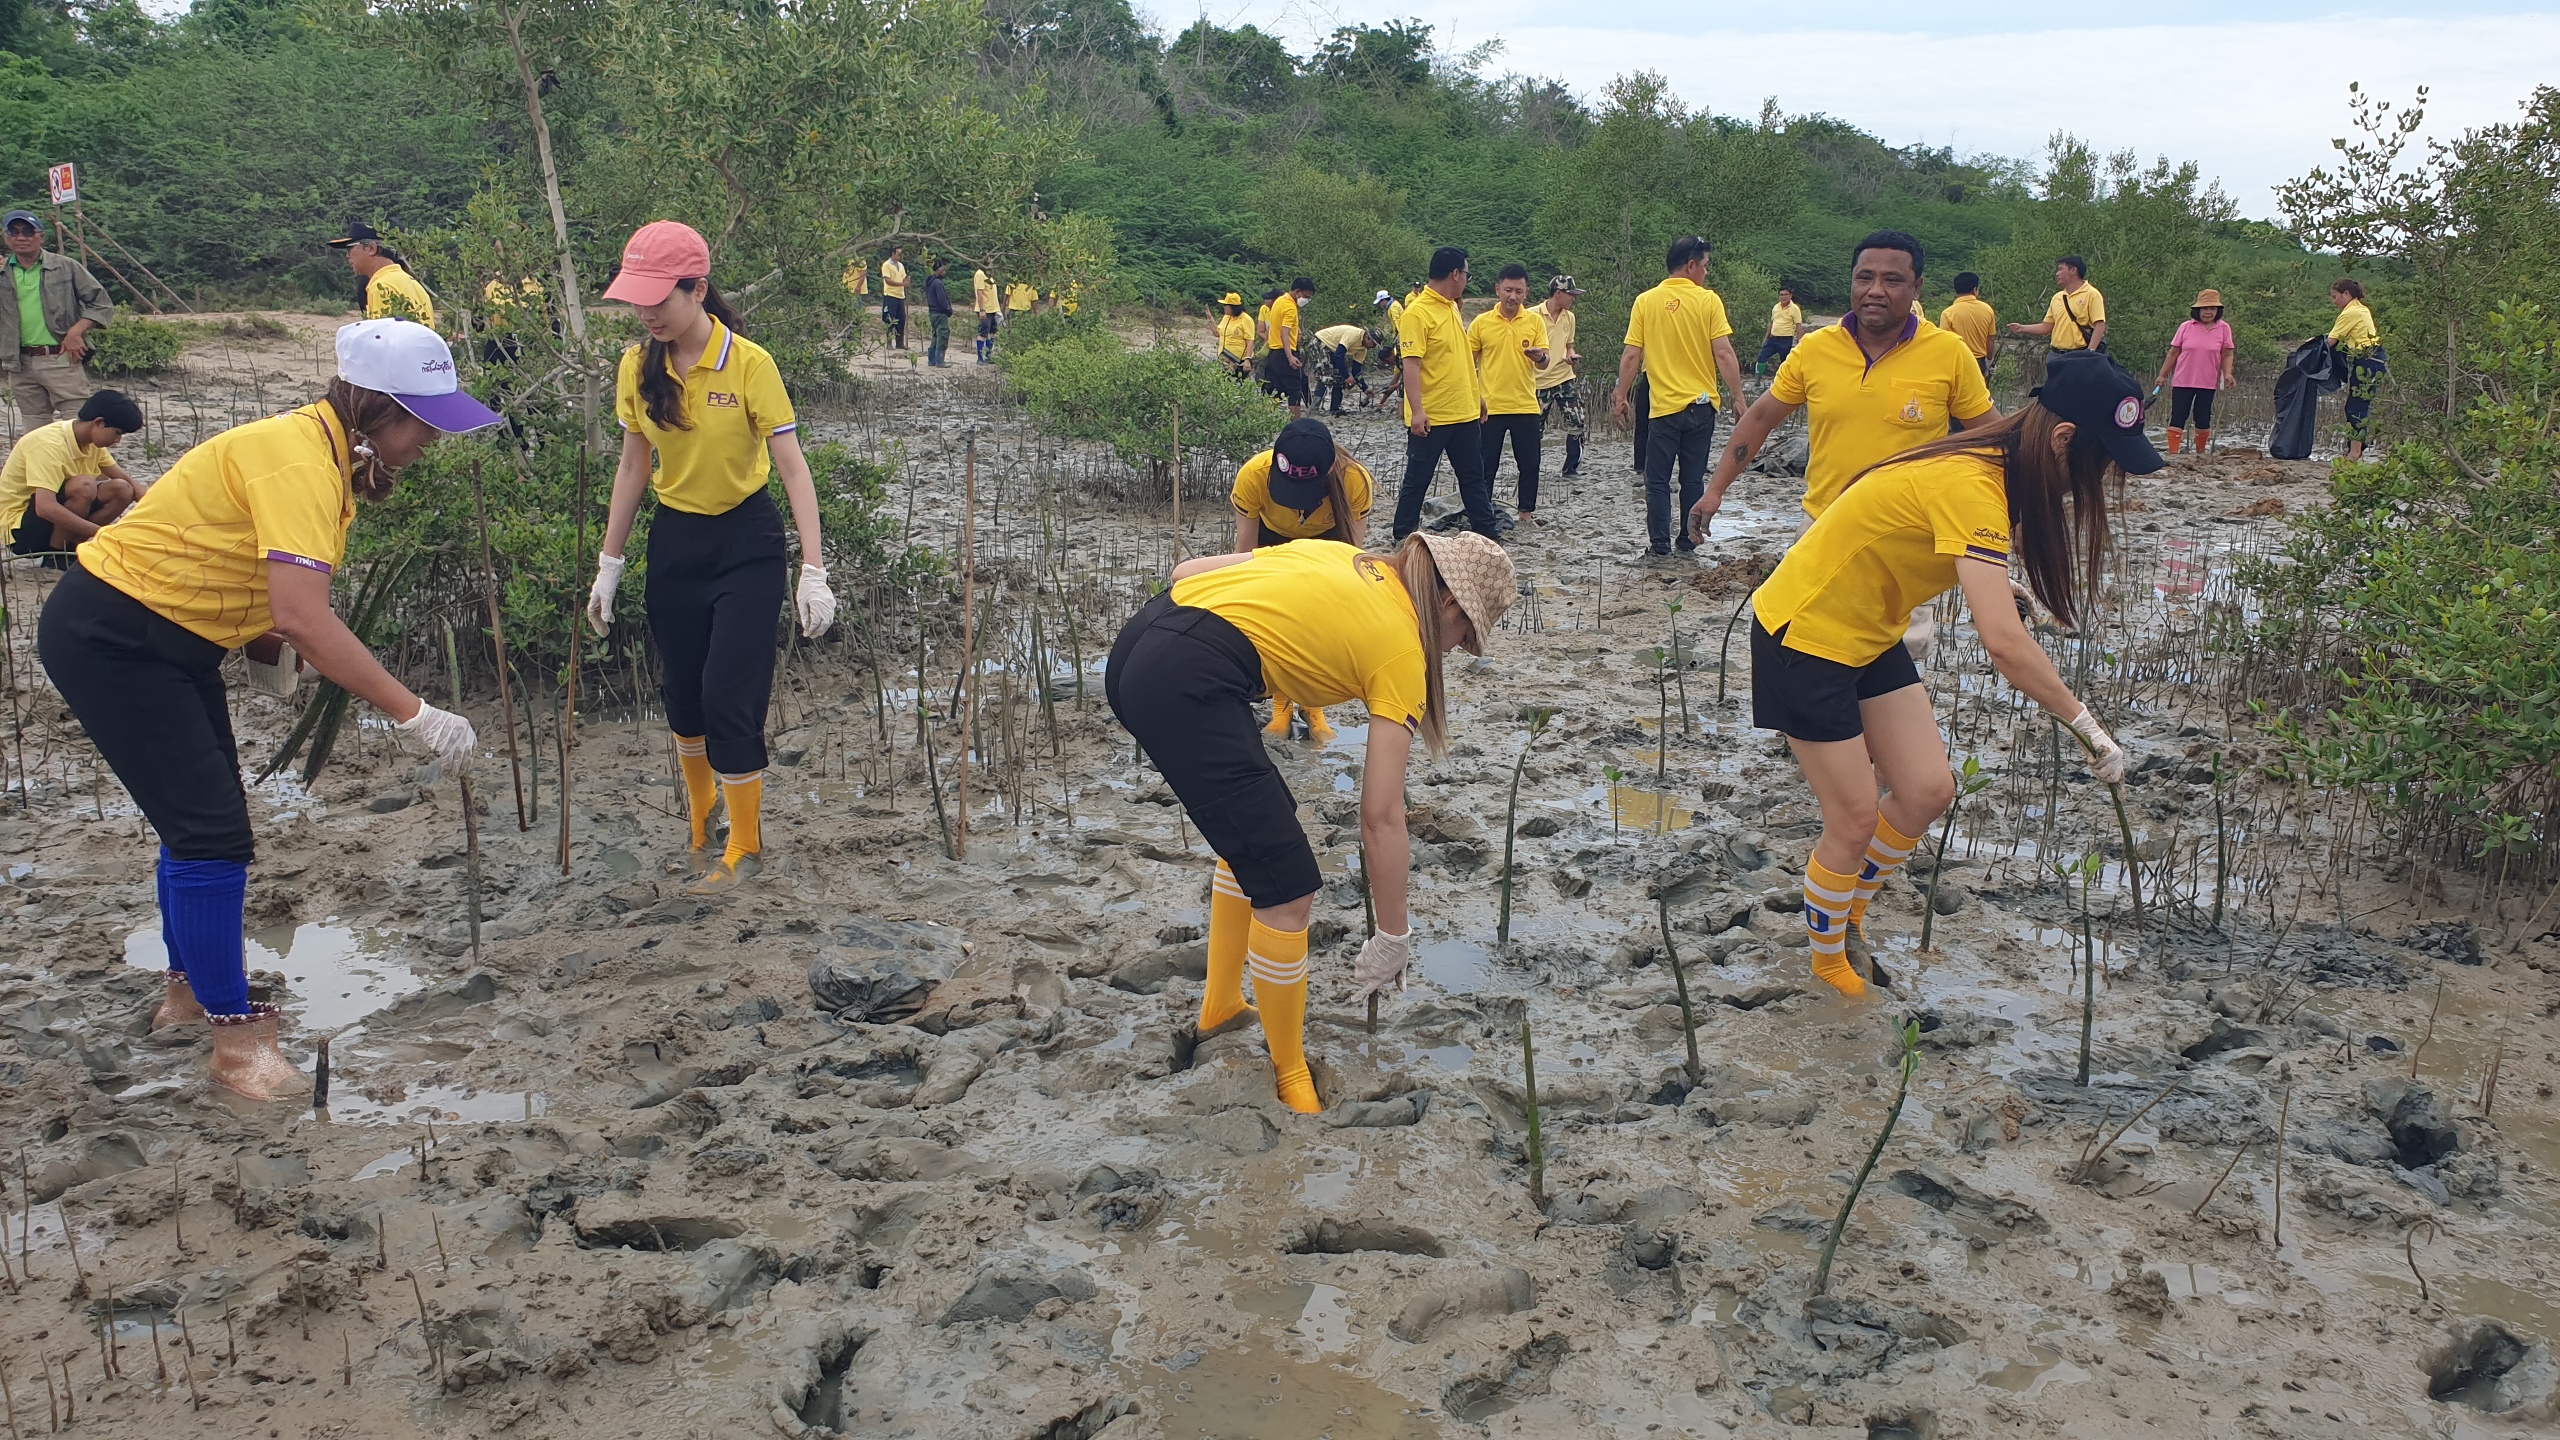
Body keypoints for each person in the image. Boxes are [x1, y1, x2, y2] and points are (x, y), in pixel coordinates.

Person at [38, 319, 498, 1100]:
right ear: (372, 404)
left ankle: (187, 996)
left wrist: (257, 650)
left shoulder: (323, 450)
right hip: (116, 636)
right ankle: (237, 1044)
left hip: (168, 641)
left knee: (201, 825)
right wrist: (418, 713)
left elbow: (244, 573)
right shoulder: (297, 462)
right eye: (424, 420)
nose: (432, 439)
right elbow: (304, 617)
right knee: (211, 835)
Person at [1747, 356, 2152, 998]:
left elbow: (1935, 546)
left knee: (1927, 790)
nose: (2094, 482)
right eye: (2100, 463)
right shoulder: (1974, 482)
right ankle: (1827, 966)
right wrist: (2086, 726)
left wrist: (2000, 582)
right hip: (1804, 636)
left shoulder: (1998, 472)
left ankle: (1847, 917)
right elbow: (2004, 645)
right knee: (1852, 819)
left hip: (1868, 633)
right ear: (2065, 440)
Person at [1106, 529, 1515, 1111]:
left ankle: (1221, 1006)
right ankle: (1291, 1075)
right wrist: (1394, 936)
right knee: (1289, 887)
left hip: (1139, 648)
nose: (1452, 650)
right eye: (1463, 636)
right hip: (1182, 680)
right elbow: (1380, 816)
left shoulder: (1348, 556)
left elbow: (1186, 573)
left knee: (1255, 838)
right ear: (1449, 604)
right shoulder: (1402, 647)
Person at [586, 221, 837, 894]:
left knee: (731, 693)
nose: (645, 313)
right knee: (685, 694)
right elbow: (634, 467)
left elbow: (793, 470)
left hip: (745, 544)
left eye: (658, 299)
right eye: (635, 300)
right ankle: (702, 825)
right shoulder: (637, 367)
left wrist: (813, 570)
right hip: (675, 542)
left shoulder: (750, 363)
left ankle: (746, 847)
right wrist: (609, 563)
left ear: (697, 289)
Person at [1693, 231, 1995, 665]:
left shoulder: (1948, 353)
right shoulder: (1816, 348)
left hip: (1907, 541)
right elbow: (1759, 419)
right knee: (1806, 652)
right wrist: (1715, 490)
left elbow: (1990, 437)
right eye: (1864, 277)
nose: (1875, 290)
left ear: (1917, 288)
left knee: (1895, 665)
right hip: (1823, 527)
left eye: (1892, 280)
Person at [1229, 418, 1376, 739]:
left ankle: (1313, 705)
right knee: (1274, 617)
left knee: (1317, 620)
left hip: (1327, 541)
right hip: (1271, 539)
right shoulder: (1253, 476)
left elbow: (1352, 556)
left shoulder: (1354, 481)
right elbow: (1244, 552)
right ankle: (1281, 704)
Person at [1611, 236, 1745, 561]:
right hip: (1701, 408)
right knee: (1692, 479)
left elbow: (1632, 357)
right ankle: (1687, 541)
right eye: (1705, 266)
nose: (1706, 274)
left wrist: (1621, 395)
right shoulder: (1709, 301)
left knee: (1657, 480)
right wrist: (1739, 397)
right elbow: (1724, 354)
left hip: (1664, 409)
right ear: (1691, 265)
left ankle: (1659, 546)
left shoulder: (1646, 301)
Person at [1390, 247, 1497, 540]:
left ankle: (1488, 534)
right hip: (1433, 416)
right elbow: (1411, 365)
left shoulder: (1451, 306)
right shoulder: (1417, 313)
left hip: (1464, 413)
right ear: (1455, 274)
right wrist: (1417, 411)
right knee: (1417, 481)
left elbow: (1458, 360)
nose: (1466, 280)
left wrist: (1477, 397)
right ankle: (1403, 536)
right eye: (1466, 274)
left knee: (1474, 479)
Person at [4, 388, 142, 564]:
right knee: (84, 486)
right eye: (117, 433)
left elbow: (132, 485)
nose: (118, 441)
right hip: (22, 531)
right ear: (98, 422)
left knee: (122, 489)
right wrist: (103, 533)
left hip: (54, 522)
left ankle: (72, 549)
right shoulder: (48, 444)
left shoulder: (90, 442)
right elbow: (45, 507)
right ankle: (56, 556)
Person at [1, 209, 111, 425]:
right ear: (5, 237)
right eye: (13, 232)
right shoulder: (3, 273)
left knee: (80, 426)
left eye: (28, 231)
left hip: (61, 356)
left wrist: (76, 331)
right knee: (35, 433)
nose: (21, 237)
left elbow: (101, 303)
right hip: (20, 363)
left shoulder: (65, 266)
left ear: (41, 236)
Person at [1470, 264, 1551, 529]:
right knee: (1485, 465)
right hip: (1490, 406)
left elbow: (1544, 362)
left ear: (1526, 293)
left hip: (1525, 404)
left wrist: (1540, 357)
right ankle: (1483, 513)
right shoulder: (1481, 323)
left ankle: (1526, 513)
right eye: (1508, 290)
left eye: (1518, 291)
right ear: (1497, 290)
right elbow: (1468, 363)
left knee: (1529, 463)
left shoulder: (1535, 321)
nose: (1512, 296)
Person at [2156, 289, 2235, 455]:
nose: (2208, 312)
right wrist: (2162, 375)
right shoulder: (2186, 326)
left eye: (2212, 309)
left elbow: (2227, 354)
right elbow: (2173, 353)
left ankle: (2200, 452)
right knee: (2178, 415)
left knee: (2203, 417)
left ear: (2218, 311)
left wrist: (2227, 374)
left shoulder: (2223, 328)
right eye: (2204, 308)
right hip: (2183, 380)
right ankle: (2174, 452)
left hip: (2208, 381)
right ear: (2197, 310)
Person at [329, 220, 437, 329]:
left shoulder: (381, 286)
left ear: (371, 248)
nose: (347, 256)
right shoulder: (410, 280)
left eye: (350, 248)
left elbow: (382, 339)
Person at [2008, 256, 2104, 370]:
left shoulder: (2092, 294)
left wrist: (2090, 352)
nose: (2057, 274)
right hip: (2055, 355)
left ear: (2073, 270)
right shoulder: (2058, 298)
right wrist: (2022, 328)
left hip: (2079, 355)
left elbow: (2100, 324)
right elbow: (2046, 327)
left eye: (2060, 269)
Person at [1535, 275, 1586, 478]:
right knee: (1534, 428)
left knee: (1577, 421)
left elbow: (1569, 345)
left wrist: (1571, 356)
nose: (1573, 299)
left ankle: (1571, 467)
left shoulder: (1569, 317)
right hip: (1539, 380)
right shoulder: (1533, 316)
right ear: (1558, 293)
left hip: (1565, 377)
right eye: (1570, 295)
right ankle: (1531, 469)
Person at [2328, 278, 2384, 462]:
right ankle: (2356, 448)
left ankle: (2355, 452)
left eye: (2335, 296)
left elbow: (2331, 341)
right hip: (2375, 358)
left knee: (2356, 407)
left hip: (2368, 359)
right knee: (2358, 405)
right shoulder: (2362, 308)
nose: (2334, 301)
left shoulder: (2350, 312)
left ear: (2346, 294)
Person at [1262, 277, 1313, 418]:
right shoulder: (1290, 308)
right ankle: (1296, 425)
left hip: (1273, 353)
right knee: (1295, 391)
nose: (1307, 300)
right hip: (1285, 353)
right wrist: (1290, 356)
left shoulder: (1279, 301)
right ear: (1298, 292)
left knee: (1275, 390)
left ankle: (1266, 420)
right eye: (1306, 296)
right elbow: (1285, 332)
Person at [1938, 273, 1997, 383]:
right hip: (1979, 363)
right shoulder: (1987, 310)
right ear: (1975, 289)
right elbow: (1991, 339)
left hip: (1957, 363)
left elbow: (1944, 343)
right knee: (1979, 397)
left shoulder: (1948, 313)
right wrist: (1990, 360)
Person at [1314, 321, 1377, 414]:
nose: (1374, 347)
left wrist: (1365, 388)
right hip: (1321, 342)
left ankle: (1335, 409)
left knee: (1339, 377)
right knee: (1326, 376)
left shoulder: (1363, 350)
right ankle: (1314, 408)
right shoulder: (1353, 335)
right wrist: (1347, 377)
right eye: (1374, 344)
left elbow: (1356, 371)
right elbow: (1339, 355)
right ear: (1368, 338)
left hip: (1333, 349)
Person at [1756, 286, 1803, 378]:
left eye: (1786, 294)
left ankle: (1783, 381)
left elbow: (1798, 325)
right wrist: (1766, 337)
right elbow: (1772, 323)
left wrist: (1800, 341)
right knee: (1761, 357)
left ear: (1790, 296)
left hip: (1786, 340)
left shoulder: (1795, 309)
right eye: (1781, 295)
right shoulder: (1776, 307)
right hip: (1773, 339)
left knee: (1784, 362)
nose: (1783, 297)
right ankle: (1758, 380)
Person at [923, 260, 954, 367]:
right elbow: (942, 300)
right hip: (940, 313)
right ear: (938, 270)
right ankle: (940, 361)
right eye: (943, 269)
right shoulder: (938, 283)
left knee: (935, 335)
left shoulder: (929, 282)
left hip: (932, 312)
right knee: (943, 335)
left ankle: (932, 360)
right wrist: (948, 310)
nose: (945, 271)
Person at [1216, 293, 1255, 379]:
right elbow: (1217, 333)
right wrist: (1210, 320)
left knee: (1237, 383)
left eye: (1225, 305)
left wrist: (1247, 360)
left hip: (1238, 360)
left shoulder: (1246, 320)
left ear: (1232, 307)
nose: (1224, 307)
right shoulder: (1226, 317)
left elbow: (1250, 341)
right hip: (1224, 356)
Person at [879, 247, 909, 349]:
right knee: (890, 319)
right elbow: (888, 280)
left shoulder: (901, 265)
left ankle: (900, 342)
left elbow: (903, 278)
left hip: (900, 295)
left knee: (901, 319)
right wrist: (902, 283)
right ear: (893, 253)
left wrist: (906, 281)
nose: (899, 256)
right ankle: (889, 343)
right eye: (898, 253)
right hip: (890, 295)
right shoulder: (886, 265)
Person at [972, 265, 1001, 364]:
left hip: (993, 309)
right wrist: (982, 309)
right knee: (983, 333)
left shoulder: (989, 274)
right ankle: (980, 358)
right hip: (986, 309)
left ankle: (988, 356)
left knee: (992, 333)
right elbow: (980, 293)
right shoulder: (980, 274)